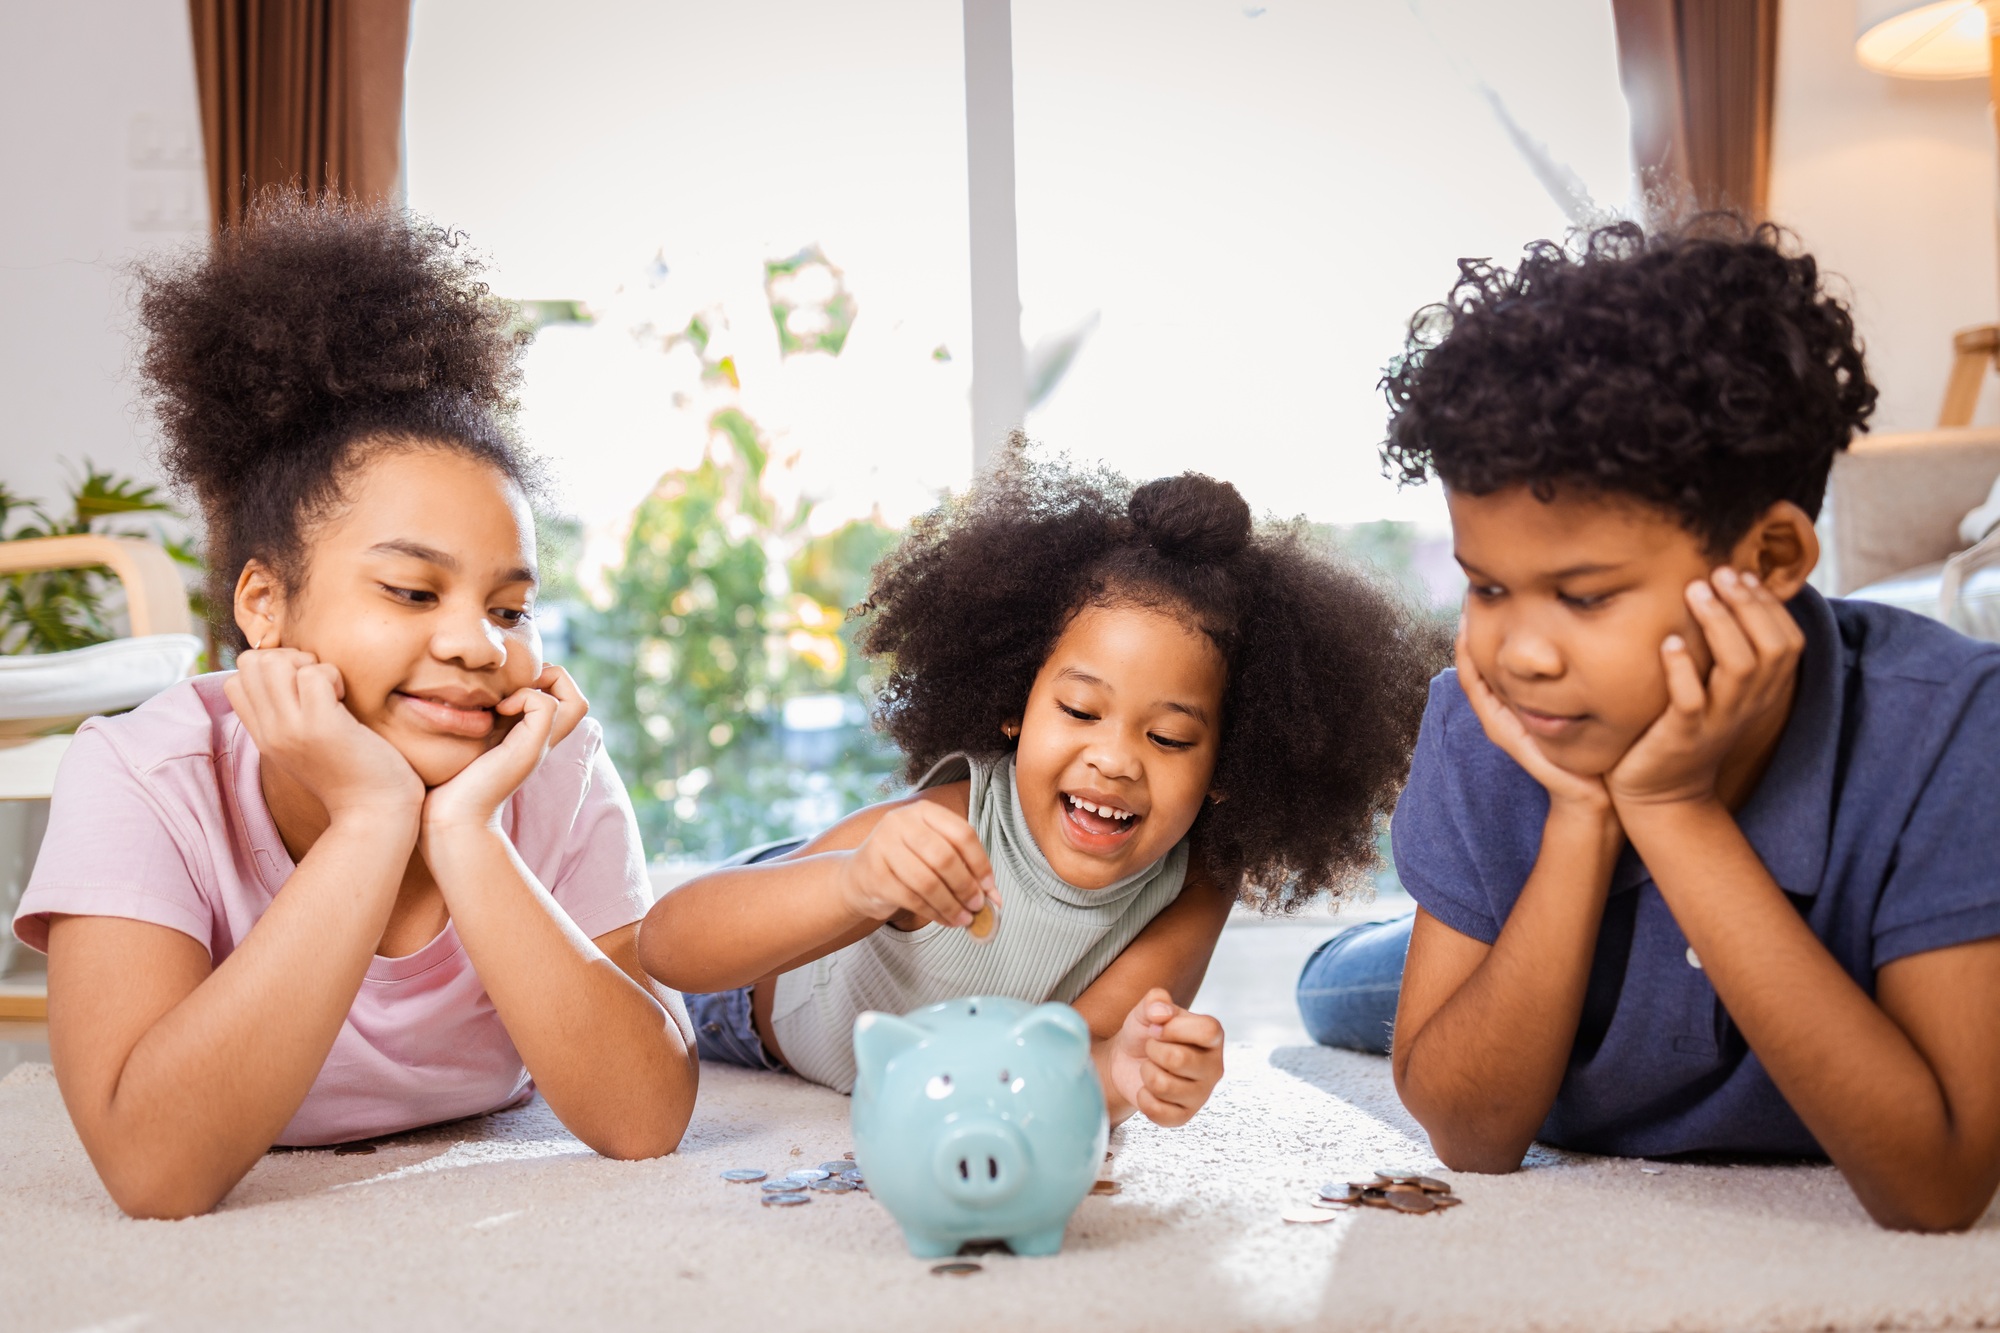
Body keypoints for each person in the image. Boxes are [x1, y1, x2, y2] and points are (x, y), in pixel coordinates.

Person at [1297, 218, 2000, 1231]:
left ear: (1766, 560)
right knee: (1332, 994)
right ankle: (1384, 938)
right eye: (1487, 585)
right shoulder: (1490, 710)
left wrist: (1667, 806)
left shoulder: (1949, 723)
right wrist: (1581, 818)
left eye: (1582, 596)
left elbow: (1932, 1186)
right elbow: (1470, 1135)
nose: (1521, 651)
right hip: (1537, 975)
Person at [12, 199, 698, 1219]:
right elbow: (153, 1170)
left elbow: (642, 1121)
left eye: (508, 605)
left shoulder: (546, 760)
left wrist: (464, 827)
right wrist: (372, 816)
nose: (478, 643)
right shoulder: (143, 773)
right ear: (265, 605)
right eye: (413, 592)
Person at [640, 447, 1436, 1127]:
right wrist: (855, 881)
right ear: (1016, 702)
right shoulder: (950, 823)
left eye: (1167, 737)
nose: (1116, 760)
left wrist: (1127, 1072)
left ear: (1230, 765)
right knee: (608, 969)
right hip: (760, 992)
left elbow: (1066, 1052)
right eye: (1082, 710)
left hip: (912, 1050)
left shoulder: (1196, 880)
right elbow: (670, 944)